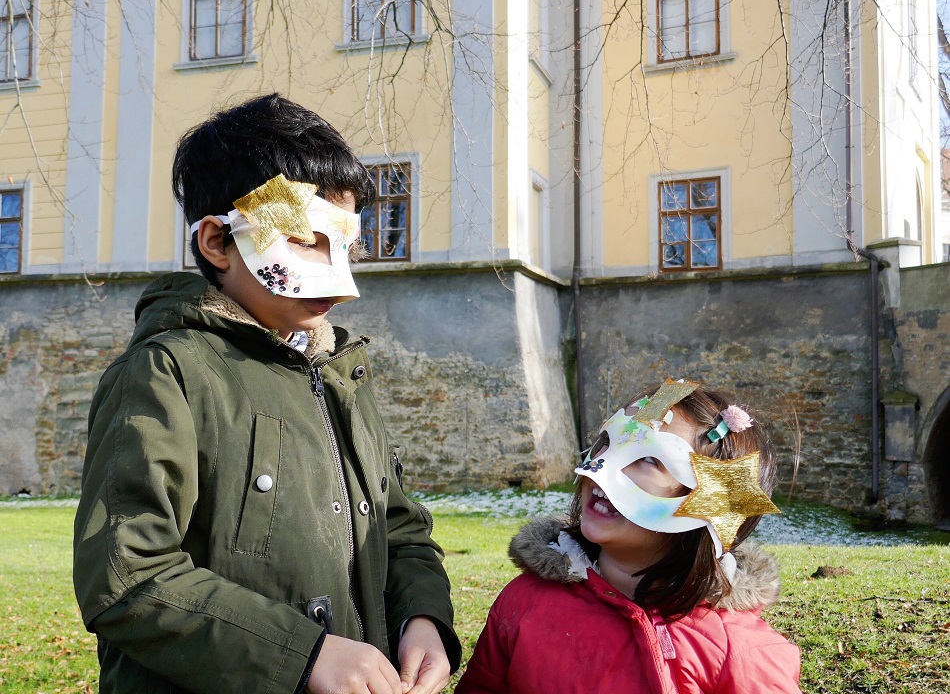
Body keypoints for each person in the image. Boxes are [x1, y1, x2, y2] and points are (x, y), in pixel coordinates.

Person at [72, 93, 461, 694]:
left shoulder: (341, 375)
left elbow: (398, 525)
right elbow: (127, 575)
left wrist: (424, 617)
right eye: (306, 241)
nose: (342, 278)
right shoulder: (165, 374)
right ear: (217, 242)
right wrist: (302, 656)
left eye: (347, 246)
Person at [456, 379, 801, 694]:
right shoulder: (524, 604)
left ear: (711, 505)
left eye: (648, 458)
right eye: (607, 443)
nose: (602, 467)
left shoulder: (737, 650)